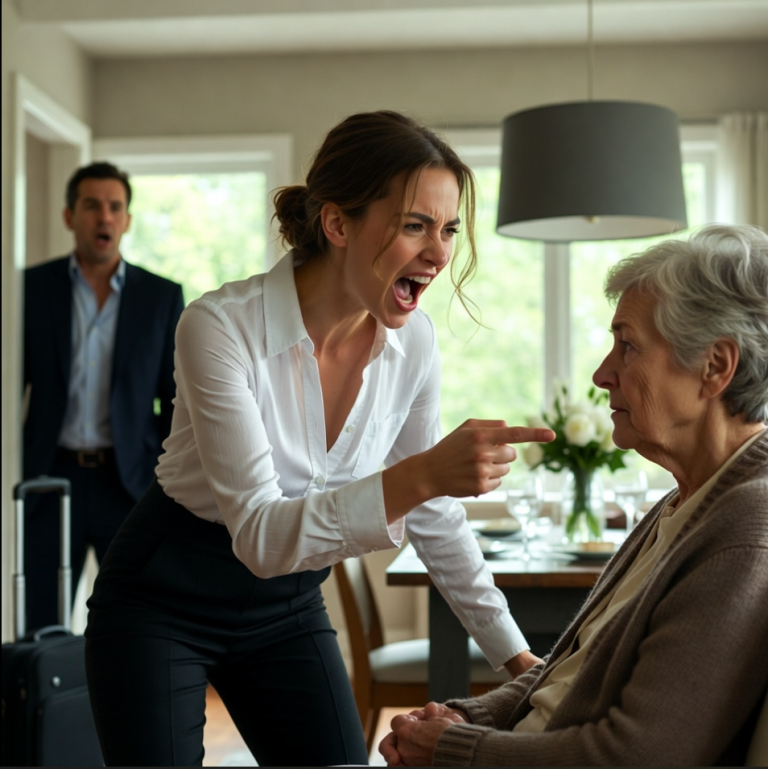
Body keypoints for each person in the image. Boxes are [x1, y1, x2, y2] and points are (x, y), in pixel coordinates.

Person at [83, 110, 556, 767]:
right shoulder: (219, 328)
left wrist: (518, 657)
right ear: (337, 224)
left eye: (447, 229)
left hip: (287, 605)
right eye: (415, 224)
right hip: (163, 595)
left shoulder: (412, 341)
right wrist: (424, 474)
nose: (440, 252)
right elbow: (262, 535)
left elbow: (433, 515)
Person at [381, 224, 768, 767]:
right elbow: (568, 674)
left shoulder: (745, 529)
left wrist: (455, 750)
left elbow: (637, 755)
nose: (601, 373)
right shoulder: (686, 499)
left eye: (628, 345)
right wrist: (469, 719)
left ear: (715, 367)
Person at [22, 161, 184, 630]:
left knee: (133, 617)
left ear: (127, 221)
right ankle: (42, 706)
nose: (105, 217)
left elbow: (176, 400)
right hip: (51, 479)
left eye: (115, 207)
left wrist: (159, 468)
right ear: (70, 216)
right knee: (41, 618)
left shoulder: (160, 296)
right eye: (92, 206)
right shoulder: (28, 289)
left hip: (129, 483)